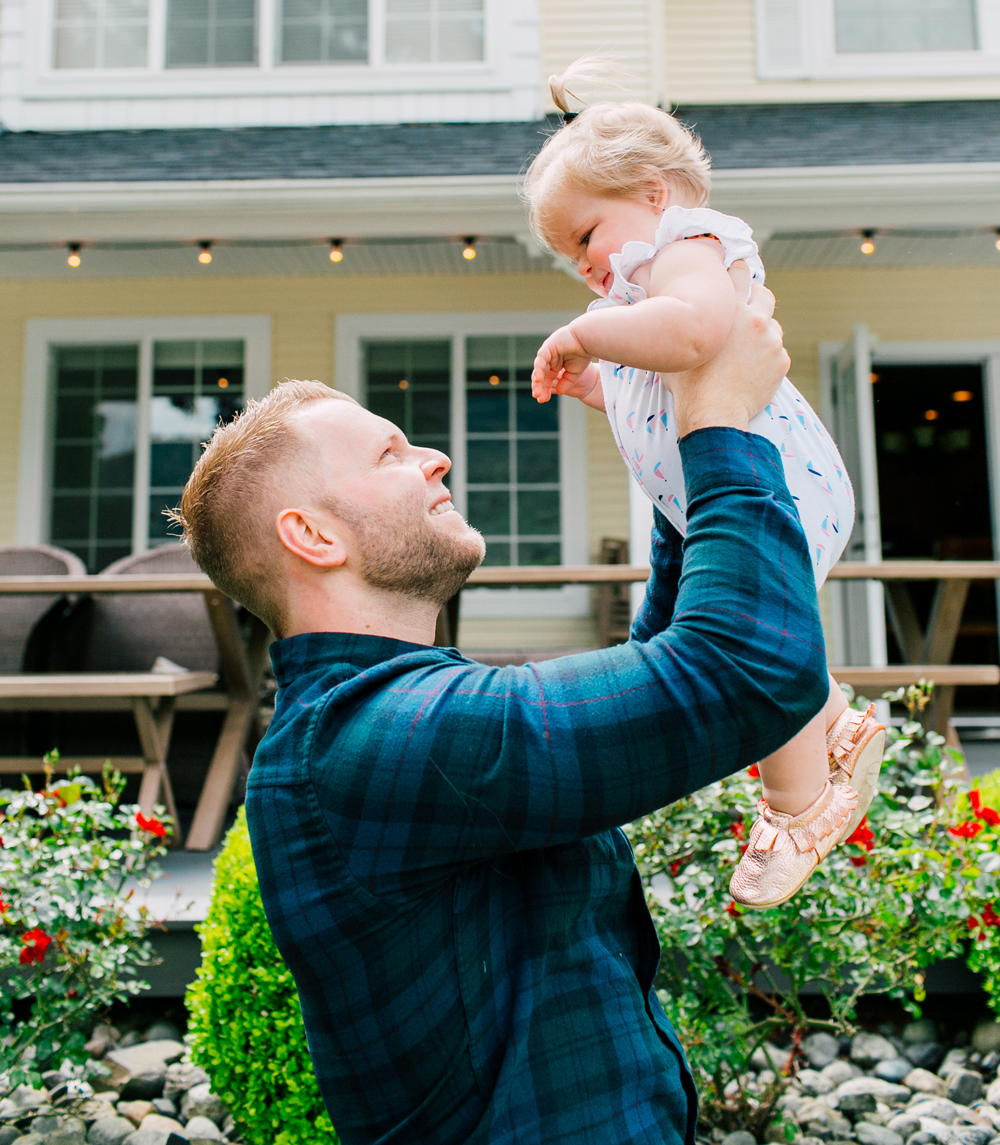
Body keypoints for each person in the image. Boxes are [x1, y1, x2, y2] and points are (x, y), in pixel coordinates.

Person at [171, 282, 828, 1145]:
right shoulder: (366, 743)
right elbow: (744, 669)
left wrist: (664, 430)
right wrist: (720, 419)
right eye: (390, 454)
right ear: (314, 537)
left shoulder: (396, 719)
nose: (436, 457)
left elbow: (664, 666)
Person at [525, 59, 884, 909]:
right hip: (719, 502)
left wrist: (591, 332)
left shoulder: (687, 245)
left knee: (756, 647)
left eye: (584, 236)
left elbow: (694, 334)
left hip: (777, 489)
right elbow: (667, 375)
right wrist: (601, 378)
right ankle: (835, 719)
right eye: (565, 255)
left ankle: (799, 809)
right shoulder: (641, 284)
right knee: (731, 640)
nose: (582, 266)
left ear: (652, 195)